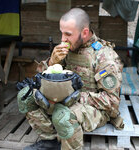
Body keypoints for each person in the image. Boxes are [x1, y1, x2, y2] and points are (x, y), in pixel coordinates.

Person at [23, 8, 124, 150]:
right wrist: (52, 62)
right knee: (25, 97)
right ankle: (51, 141)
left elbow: (112, 102)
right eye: (61, 33)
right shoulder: (70, 49)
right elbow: (44, 77)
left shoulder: (103, 57)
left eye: (68, 34)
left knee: (62, 115)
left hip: (95, 108)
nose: (63, 39)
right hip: (66, 100)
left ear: (85, 33)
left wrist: (74, 97)